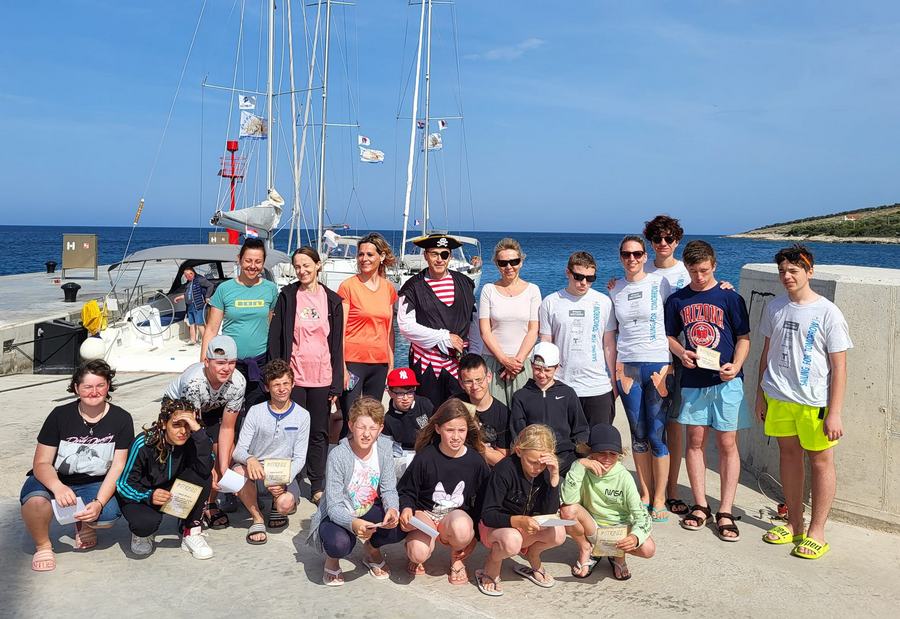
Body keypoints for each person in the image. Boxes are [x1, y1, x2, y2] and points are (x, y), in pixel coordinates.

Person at [756, 245, 851, 559]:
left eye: (794, 270)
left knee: (821, 461)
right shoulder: (775, 307)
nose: (787, 276)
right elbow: (766, 353)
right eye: (782, 271)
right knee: (789, 456)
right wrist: (760, 394)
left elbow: (839, 367)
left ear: (809, 271)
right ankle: (794, 523)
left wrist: (835, 412)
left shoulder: (828, 312)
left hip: (813, 402)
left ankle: (817, 531)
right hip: (778, 396)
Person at [664, 240, 751, 541]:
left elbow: (744, 337)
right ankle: (701, 505)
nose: (699, 277)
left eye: (704, 270)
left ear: (714, 265)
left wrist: (736, 366)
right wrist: (681, 353)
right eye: (693, 271)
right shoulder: (677, 300)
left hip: (727, 381)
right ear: (686, 269)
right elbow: (669, 336)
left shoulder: (730, 297)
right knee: (695, 441)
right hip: (694, 381)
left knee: (727, 443)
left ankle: (725, 510)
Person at [21, 360, 134, 572]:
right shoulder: (59, 415)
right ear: (76, 388)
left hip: (94, 481)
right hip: (56, 478)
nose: (94, 392)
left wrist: (99, 503)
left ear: (108, 386)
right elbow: (41, 463)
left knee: (107, 515)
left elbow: (118, 466)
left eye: (100, 385)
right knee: (35, 502)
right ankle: (43, 545)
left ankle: (83, 522)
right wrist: (57, 487)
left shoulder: (122, 418)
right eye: (87, 386)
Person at [268, 246, 343, 505]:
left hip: (322, 376)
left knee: (319, 432)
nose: (302, 271)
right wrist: (276, 373)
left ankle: (317, 484)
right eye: (297, 266)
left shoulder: (332, 300)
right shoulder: (288, 296)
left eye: (306, 265)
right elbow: (276, 336)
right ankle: (293, 481)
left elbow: (337, 345)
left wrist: (336, 382)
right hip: (294, 377)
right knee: (292, 430)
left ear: (318, 265)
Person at [307, 397, 405, 586]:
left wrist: (392, 509)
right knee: (340, 544)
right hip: (339, 513)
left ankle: (371, 550)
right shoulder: (338, 455)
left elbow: (388, 489)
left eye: (373, 428)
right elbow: (333, 506)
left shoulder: (384, 448)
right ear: (351, 426)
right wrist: (353, 523)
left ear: (380, 429)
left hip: (367, 507)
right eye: (361, 427)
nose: (367, 434)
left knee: (399, 525)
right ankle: (332, 559)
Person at [609, 235, 673, 522]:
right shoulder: (615, 289)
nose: (632, 259)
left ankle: (660, 497)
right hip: (627, 367)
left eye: (637, 254)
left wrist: (723, 286)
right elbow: (610, 332)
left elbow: (687, 299)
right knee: (638, 435)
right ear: (621, 257)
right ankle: (644, 493)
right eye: (626, 254)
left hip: (658, 363)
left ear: (645, 256)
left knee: (657, 434)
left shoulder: (661, 283)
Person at [398, 398, 490, 584]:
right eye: (449, 430)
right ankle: (415, 549)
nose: (456, 436)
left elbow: (484, 499)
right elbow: (406, 489)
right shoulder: (425, 457)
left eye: (461, 430)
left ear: (468, 430)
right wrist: (406, 509)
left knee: (462, 529)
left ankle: (457, 558)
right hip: (425, 515)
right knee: (418, 552)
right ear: (438, 429)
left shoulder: (476, 461)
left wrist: (475, 535)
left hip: (455, 517)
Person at [164, 334, 245, 529]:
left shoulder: (239, 382)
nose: (227, 368)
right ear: (207, 362)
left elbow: (227, 428)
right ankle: (183, 508)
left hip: (212, 409)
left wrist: (223, 468)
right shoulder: (193, 383)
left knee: (222, 454)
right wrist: (208, 466)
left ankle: (209, 503)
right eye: (220, 363)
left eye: (232, 363)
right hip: (181, 410)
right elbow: (194, 433)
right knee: (190, 458)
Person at [116, 399, 214, 559]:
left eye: (188, 425)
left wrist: (198, 432)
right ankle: (142, 535)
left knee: (204, 475)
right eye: (176, 425)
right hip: (145, 495)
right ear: (163, 423)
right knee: (144, 525)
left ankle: (191, 531)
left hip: (172, 493)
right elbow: (123, 484)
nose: (183, 431)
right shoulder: (144, 443)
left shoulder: (195, 439)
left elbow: (206, 467)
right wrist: (149, 495)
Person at [476, 424, 564, 596]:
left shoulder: (545, 470)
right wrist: (518, 521)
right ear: (518, 451)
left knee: (558, 532)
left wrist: (554, 478)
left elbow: (549, 512)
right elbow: (488, 515)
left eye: (542, 464)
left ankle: (533, 555)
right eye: (532, 462)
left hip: (522, 525)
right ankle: (491, 566)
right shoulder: (504, 470)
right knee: (512, 540)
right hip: (493, 528)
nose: (537, 468)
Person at [560, 424, 655, 580]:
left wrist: (635, 537)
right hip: (592, 527)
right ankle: (585, 548)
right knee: (567, 510)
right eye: (601, 452)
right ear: (590, 451)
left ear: (619, 454)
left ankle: (617, 555)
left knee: (648, 549)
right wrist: (579, 465)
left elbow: (643, 517)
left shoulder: (624, 477)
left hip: (619, 531)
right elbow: (568, 500)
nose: (607, 459)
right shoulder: (581, 469)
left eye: (613, 454)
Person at [230, 359, 310, 544]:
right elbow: (239, 450)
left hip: (283, 472)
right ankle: (257, 518)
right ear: (267, 387)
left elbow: (299, 457)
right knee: (236, 473)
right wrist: (249, 459)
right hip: (257, 470)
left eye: (285, 383)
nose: (282, 389)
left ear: (293, 384)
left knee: (285, 505)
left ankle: (276, 505)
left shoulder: (303, 415)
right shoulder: (255, 412)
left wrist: (284, 479)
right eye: (276, 385)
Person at [539, 251, 618, 427]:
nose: (584, 283)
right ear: (568, 272)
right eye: (579, 277)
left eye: (590, 278)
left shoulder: (604, 302)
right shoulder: (550, 302)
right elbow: (546, 344)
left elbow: (609, 344)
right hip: (561, 384)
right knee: (562, 441)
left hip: (598, 386)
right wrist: (544, 379)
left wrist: (614, 381)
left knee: (599, 441)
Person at [398, 233, 476, 407]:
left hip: (459, 363)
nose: (439, 259)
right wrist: (444, 337)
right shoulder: (412, 287)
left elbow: (474, 321)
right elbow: (405, 326)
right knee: (428, 412)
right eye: (434, 254)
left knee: (461, 411)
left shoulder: (465, 283)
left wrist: (474, 355)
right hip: (426, 363)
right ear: (426, 255)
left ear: (450, 256)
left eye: (444, 254)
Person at [202, 237, 279, 408]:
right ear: (239, 259)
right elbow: (211, 329)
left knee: (256, 411)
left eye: (258, 262)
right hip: (229, 364)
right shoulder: (224, 289)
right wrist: (204, 364)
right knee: (229, 412)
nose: (253, 266)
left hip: (260, 363)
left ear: (263, 263)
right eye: (248, 260)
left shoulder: (271, 289)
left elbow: (271, 324)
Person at [338, 233, 399, 430]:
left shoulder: (389, 289)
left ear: (382, 257)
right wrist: (342, 367)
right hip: (353, 361)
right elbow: (340, 331)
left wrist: (391, 365)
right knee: (351, 418)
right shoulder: (348, 286)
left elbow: (389, 331)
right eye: (361, 254)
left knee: (372, 419)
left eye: (370, 254)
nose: (364, 259)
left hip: (379, 364)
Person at [509, 341, 589, 476]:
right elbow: (518, 432)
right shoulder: (521, 396)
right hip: (535, 459)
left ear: (557, 368)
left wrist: (580, 451)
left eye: (547, 370)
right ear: (531, 365)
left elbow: (580, 428)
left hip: (564, 457)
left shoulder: (567, 393)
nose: (542, 374)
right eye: (537, 369)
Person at [478, 238, 541, 406]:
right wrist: (504, 360)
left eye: (514, 261)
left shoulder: (533, 290)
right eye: (503, 263)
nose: (509, 267)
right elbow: (485, 331)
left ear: (521, 262)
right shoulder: (488, 290)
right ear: (497, 264)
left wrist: (517, 362)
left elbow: (533, 330)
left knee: (523, 413)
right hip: (493, 361)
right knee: (493, 414)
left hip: (522, 363)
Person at [458, 353, 511, 466]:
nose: (475, 386)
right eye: (468, 382)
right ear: (461, 383)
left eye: (479, 380)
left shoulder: (503, 413)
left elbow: (503, 462)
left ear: (489, 377)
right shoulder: (456, 404)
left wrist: (476, 444)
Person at [383, 367, 435, 476]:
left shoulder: (425, 404)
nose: (406, 398)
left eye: (410, 392)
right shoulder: (388, 419)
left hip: (428, 450)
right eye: (400, 393)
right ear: (390, 393)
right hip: (403, 455)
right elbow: (388, 451)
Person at [173, 265, 214, 346]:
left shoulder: (200, 280)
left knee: (199, 323)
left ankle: (206, 341)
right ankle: (193, 340)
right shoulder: (188, 283)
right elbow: (188, 294)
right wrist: (179, 297)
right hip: (190, 306)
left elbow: (210, 285)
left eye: (187, 275)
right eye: (185, 275)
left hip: (198, 306)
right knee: (191, 323)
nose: (186, 277)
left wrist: (207, 296)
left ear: (192, 273)